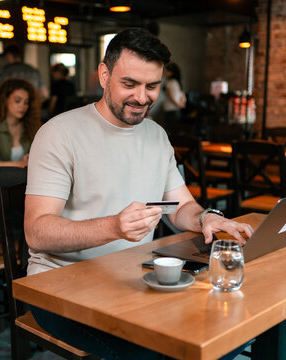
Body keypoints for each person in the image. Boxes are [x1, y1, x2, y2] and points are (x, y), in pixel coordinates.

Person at [24, 28, 253, 360]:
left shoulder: (156, 135)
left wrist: (207, 218)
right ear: (104, 75)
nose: (142, 98)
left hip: (134, 277)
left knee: (229, 332)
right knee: (158, 353)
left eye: (152, 86)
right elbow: (37, 233)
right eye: (129, 84)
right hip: (58, 285)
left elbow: (180, 207)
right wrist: (113, 227)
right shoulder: (59, 133)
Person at [0, 78, 41, 169]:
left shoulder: (31, 126)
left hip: (26, 180)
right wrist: (18, 164)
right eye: (17, 101)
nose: (23, 106)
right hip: (0, 180)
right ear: (4, 100)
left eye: (26, 102)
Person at [162, 62, 187, 134]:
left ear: (171, 72)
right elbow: (182, 96)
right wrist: (182, 104)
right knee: (175, 130)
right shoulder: (177, 82)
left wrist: (178, 104)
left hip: (170, 109)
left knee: (169, 131)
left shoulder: (169, 82)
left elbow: (171, 96)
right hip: (176, 110)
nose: (165, 72)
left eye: (166, 71)